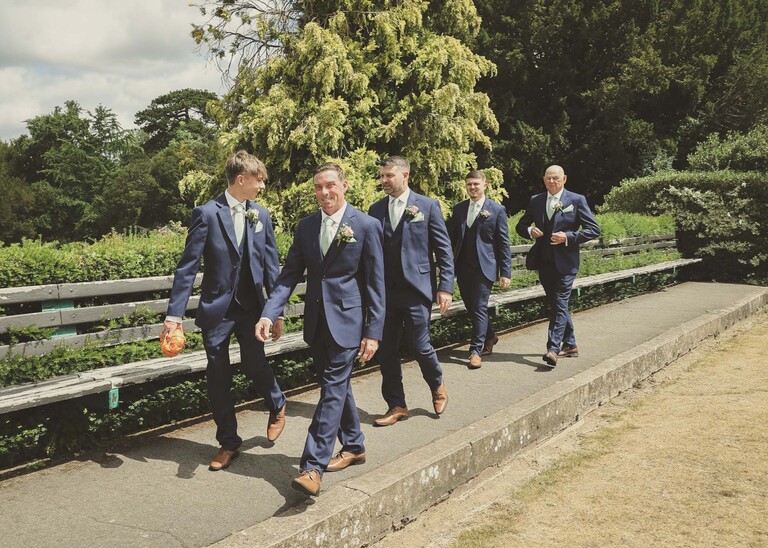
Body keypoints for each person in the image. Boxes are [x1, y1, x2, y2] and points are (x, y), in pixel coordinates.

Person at [255, 162, 385, 497]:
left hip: (350, 323)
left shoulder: (367, 226)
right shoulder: (307, 226)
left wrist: (373, 332)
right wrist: (269, 314)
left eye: (330, 185)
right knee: (337, 387)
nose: (324, 193)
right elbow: (288, 277)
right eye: (318, 187)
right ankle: (354, 445)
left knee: (330, 391)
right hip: (316, 323)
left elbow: (375, 285)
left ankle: (312, 466)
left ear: (344, 185)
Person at [162, 150, 287, 472]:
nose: (262, 187)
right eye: (259, 181)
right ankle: (229, 443)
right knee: (218, 376)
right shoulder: (206, 213)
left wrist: (276, 312)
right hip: (218, 310)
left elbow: (272, 267)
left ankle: (277, 403)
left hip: (253, 309)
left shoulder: (261, 215)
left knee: (255, 362)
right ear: (241, 180)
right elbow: (187, 268)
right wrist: (173, 316)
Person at [367, 156, 454, 426]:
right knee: (387, 350)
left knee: (420, 345)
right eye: (382, 176)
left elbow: (443, 249)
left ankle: (437, 384)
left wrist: (445, 287)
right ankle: (396, 404)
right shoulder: (375, 209)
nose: (384, 181)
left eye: (389, 176)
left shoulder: (427, 206)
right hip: (385, 293)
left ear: (405, 175)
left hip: (417, 289)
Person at [515, 165, 600, 368]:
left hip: (566, 263)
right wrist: (529, 230)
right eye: (548, 179)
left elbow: (593, 229)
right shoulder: (536, 200)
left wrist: (568, 237)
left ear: (564, 179)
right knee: (557, 305)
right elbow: (520, 225)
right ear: (544, 180)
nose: (551, 182)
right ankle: (570, 345)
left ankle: (553, 349)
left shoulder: (576, 200)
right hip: (544, 262)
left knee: (560, 302)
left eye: (555, 178)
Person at [448, 170, 512, 369]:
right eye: (469, 184)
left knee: (479, 306)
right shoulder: (458, 209)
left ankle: (475, 351)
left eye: (476, 184)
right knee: (473, 307)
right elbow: (448, 237)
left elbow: (503, 243)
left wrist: (505, 272)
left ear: (485, 184)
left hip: (485, 268)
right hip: (463, 267)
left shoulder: (496, 209)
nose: (472, 188)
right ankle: (491, 336)